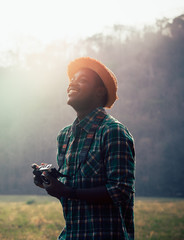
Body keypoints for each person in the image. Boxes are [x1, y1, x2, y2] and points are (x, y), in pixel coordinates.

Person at [33, 57, 135, 240]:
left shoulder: (113, 132)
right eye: (72, 79)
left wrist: (68, 191)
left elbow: (120, 191)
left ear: (99, 92)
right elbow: (74, 197)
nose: (72, 83)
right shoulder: (65, 136)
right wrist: (53, 185)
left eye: (82, 80)